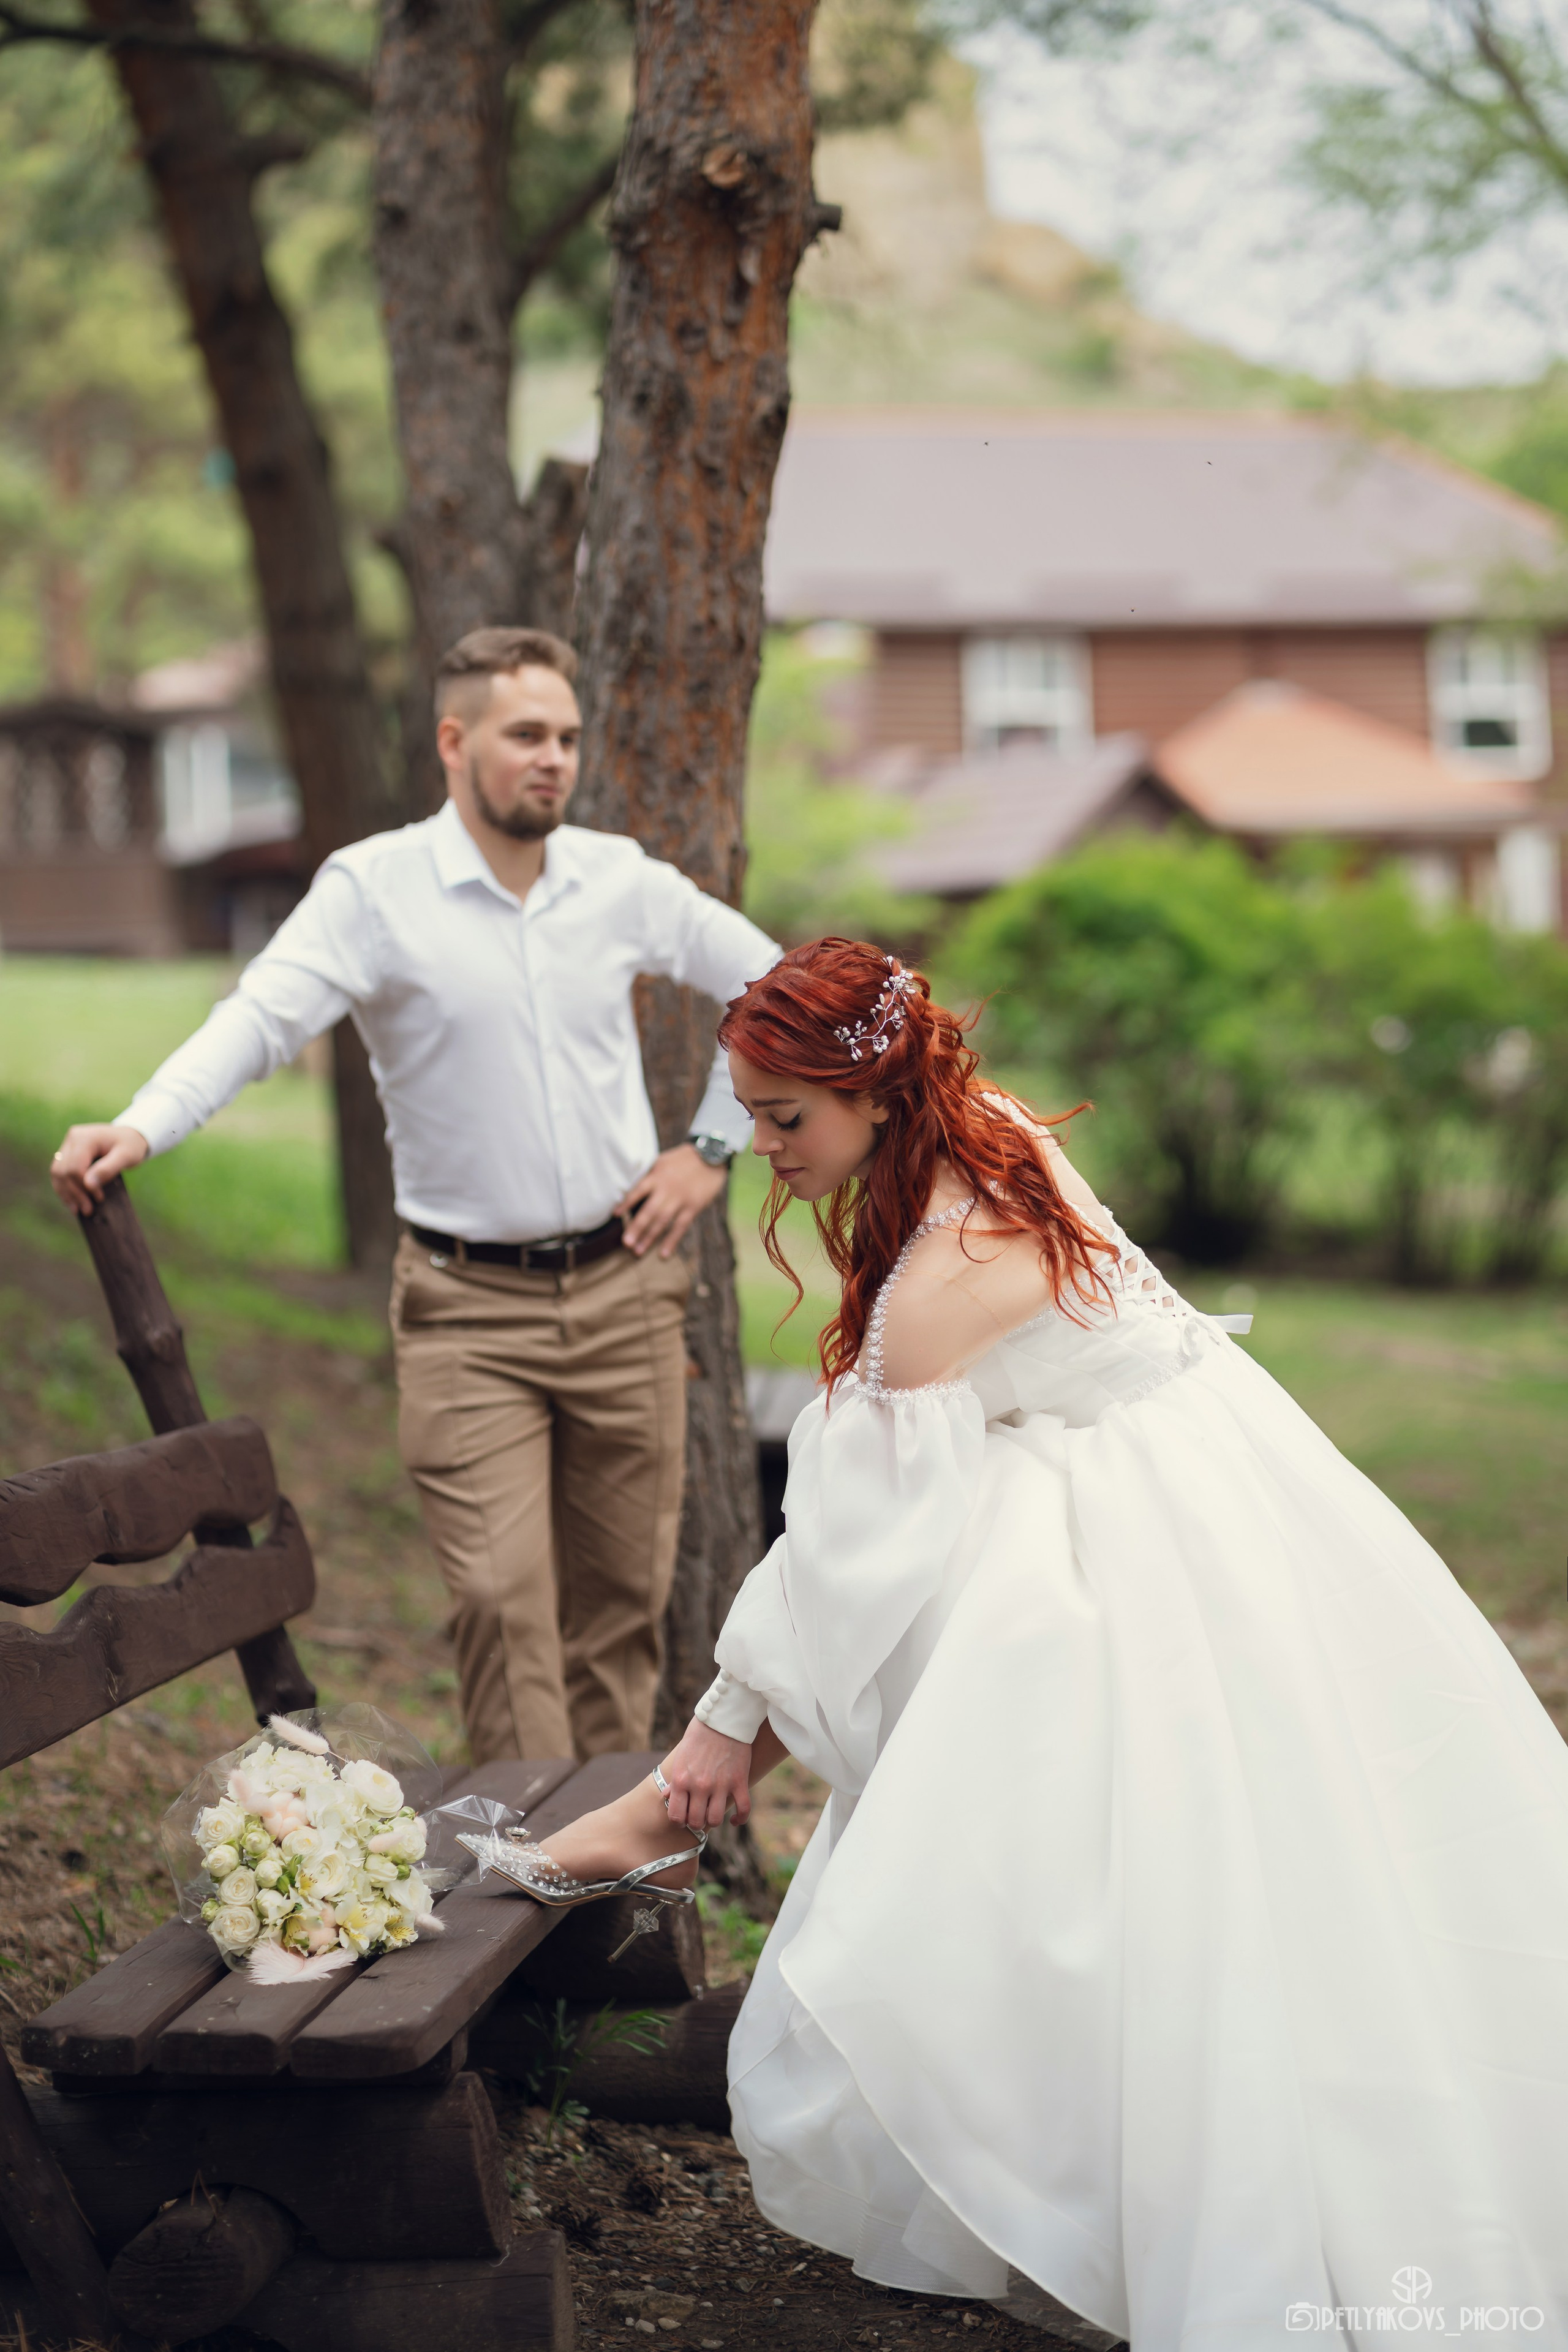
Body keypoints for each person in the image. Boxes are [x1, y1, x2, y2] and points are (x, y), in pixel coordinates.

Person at [514, 937, 1568, 2348]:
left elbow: (846, 1548)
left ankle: (677, 1813)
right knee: (1121, 1844)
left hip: (1165, 1530)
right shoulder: (967, 1129)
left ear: (875, 1091)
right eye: (747, 1115)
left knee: (1178, 1855)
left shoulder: (948, 1273)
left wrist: (713, 1737)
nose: (763, 1154)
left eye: (784, 1120)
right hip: (1173, 1470)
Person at [49, 625, 778, 1769]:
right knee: (500, 1608)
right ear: (454, 740)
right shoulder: (375, 890)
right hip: (464, 1315)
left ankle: (622, 1900)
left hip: (628, 1296)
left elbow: (775, 986)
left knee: (623, 1613)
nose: (556, 758)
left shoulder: (618, 880)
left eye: (569, 737)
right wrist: (143, 1123)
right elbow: (261, 1017)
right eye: (526, 734)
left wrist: (709, 1147)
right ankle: (535, 1906)